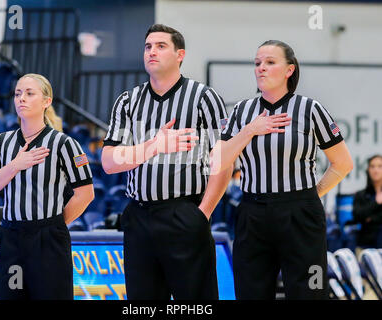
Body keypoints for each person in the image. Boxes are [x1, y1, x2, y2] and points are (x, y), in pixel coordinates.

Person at [102, 24, 288, 300]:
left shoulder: (204, 98)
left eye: (161, 46)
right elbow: (109, 161)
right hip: (138, 217)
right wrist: (154, 146)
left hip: (185, 212)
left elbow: (222, 161)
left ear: (180, 55)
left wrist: (203, 213)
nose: (152, 51)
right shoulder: (127, 101)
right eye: (148, 46)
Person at [208, 40, 353, 300]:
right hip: (252, 214)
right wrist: (250, 130)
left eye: (270, 62)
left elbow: (343, 164)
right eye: (257, 63)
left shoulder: (311, 109)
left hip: (301, 214)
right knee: (250, 293)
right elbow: (217, 161)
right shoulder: (242, 111)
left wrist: (311, 196)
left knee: (310, 292)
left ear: (289, 70)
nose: (261, 68)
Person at [0, 73, 94, 300]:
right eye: (18, 93)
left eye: (30, 94)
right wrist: (14, 166)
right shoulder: (2, 142)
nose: (21, 98)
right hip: (11, 240)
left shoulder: (64, 144)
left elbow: (85, 194)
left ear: (46, 101)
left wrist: (54, 225)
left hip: (48, 240)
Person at [352, 155, 382, 249]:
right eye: (372, 166)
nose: (376, 170)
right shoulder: (361, 194)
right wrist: (376, 203)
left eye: (380, 166)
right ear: (368, 170)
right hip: (365, 244)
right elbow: (357, 215)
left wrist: (370, 218)